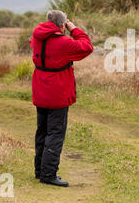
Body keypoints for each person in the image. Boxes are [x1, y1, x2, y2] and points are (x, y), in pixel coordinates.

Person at [30, 10, 93, 187]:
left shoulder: (36, 38)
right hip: (57, 93)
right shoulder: (63, 42)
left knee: (42, 131)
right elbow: (87, 47)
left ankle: (39, 170)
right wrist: (74, 30)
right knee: (55, 133)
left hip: (40, 90)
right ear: (62, 24)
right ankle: (48, 174)